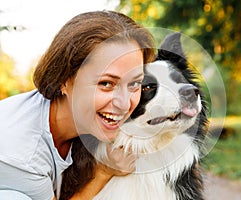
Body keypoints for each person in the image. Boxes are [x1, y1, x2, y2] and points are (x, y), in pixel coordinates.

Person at [0, 10, 155, 200]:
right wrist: (104, 172)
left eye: (134, 84)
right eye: (106, 83)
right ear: (64, 79)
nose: (124, 104)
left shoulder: (81, 118)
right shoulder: (23, 157)